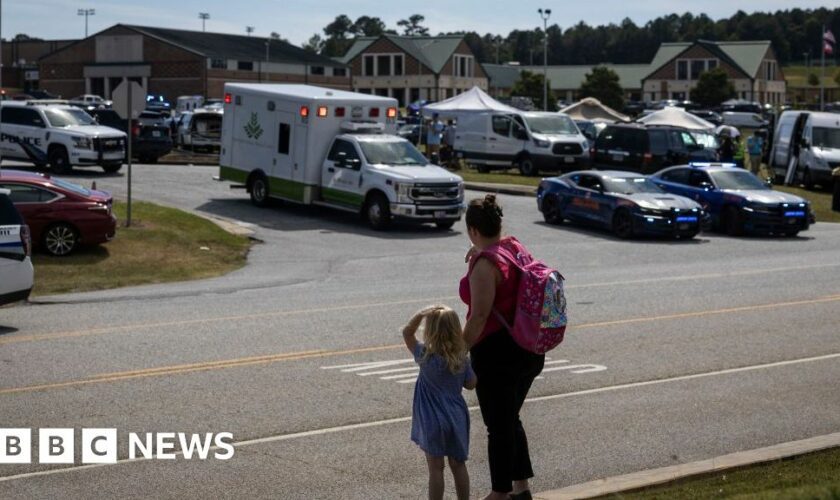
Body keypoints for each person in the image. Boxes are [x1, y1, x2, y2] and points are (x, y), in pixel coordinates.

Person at [460, 195, 545, 500]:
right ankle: (521, 489)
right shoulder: (514, 246)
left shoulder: (486, 264)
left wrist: (458, 352)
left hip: (498, 355)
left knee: (498, 426)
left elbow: (480, 315)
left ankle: (499, 493)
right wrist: (480, 250)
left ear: (472, 229)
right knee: (510, 418)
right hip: (529, 348)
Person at [403, 305, 478, 500]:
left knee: (436, 469)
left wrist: (421, 313)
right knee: (458, 465)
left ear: (430, 330)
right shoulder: (461, 359)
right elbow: (471, 384)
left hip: (432, 420)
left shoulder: (424, 355)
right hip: (456, 417)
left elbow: (407, 332)